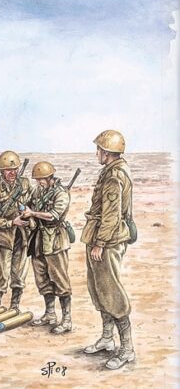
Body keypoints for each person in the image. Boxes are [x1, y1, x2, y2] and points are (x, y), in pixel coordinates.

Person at [81, 130, 135, 370]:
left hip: (108, 241)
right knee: (99, 289)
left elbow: (112, 215)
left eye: (99, 150)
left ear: (107, 152)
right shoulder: (111, 171)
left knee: (111, 292)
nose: (97, 154)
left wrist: (100, 243)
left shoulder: (114, 175)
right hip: (102, 236)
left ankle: (127, 349)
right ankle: (107, 338)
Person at [21, 161, 73, 334]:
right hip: (39, 241)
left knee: (60, 280)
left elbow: (53, 216)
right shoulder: (37, 191)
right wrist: (24, 209)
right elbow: (27, 204)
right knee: (42, 278)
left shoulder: (61, 194)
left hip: (55, 241)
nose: (39, 182)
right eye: (37, 180)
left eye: (41, 179)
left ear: (50, 177)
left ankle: (67, 320)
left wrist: (33, 213)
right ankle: (50, 314)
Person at [0, 150, 32, 311]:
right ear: (1, 171)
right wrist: (11, 222)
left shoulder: (24, 184)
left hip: (22, 235)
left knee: (19, 271)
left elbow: (33, 201)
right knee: (0, 272)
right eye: (8, 170)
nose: (13, 173)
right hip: (4, 237)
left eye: (15, 169)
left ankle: (15, 305)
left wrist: (27, 212)